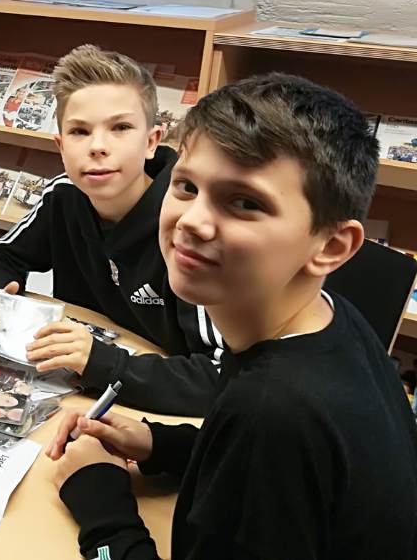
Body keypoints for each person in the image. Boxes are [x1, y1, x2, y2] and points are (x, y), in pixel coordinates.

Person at [50, 73, 417, 559]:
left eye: (245, 203)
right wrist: (160, 443)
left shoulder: (271, 413)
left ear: (330, 247)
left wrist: (98, 497)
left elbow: (268, 442)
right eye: (186, 186)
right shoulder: (331, 318)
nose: (191, 221)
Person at [0, 45, 222, 416]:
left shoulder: (187, 222)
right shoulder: (63, 196)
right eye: (79, 131)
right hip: (80, 396)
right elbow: (2, 258)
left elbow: (221, 376)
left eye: (120, 128)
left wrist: (101, 362)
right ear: (60, 146)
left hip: (156, 414)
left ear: (152, 141)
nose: (98, 147)